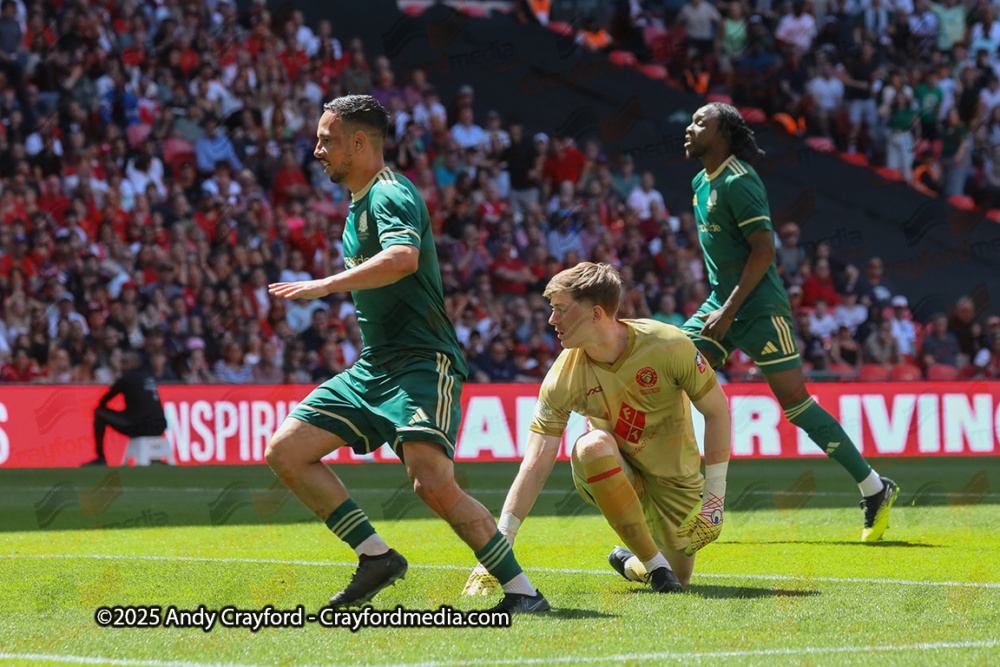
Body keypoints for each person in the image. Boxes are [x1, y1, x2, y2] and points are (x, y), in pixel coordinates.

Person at [266, 95, 548, 613]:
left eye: (327, 140)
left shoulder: (390, 193)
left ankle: (522, 592)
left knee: (431, 483)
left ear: (358, 142)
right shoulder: (359, 203)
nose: (317, 150)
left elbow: (403, 258)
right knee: (286, 450)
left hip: (422, 360)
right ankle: (376, 557)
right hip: (374, 365)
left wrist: (325, 286)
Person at [680, 102, 898, 542]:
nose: (689, 126)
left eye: (701, 122)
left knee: (796, 405)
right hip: (720, 304)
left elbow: (765, 252)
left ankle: (875, 488)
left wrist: (729, 310)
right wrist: (722, 306)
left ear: (723, 134)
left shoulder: (740, 181)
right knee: (670, 372)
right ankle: (687, 494)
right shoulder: (700, 182)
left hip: (760, 310)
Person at [463, 263, 732, 597]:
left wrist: (714, 498)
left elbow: (717, 411)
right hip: (612, 469)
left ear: (596, 313)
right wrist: (499, 548)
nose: (552, 320)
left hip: (675, 483)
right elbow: (535, 461)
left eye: (561, 309)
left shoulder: (668, 344)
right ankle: (655, 565)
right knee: (593, 446)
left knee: (682, 576)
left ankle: (634, 562)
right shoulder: (562, 377)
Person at [89, 351, 168, 466]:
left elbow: (104, 400)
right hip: (160, 427)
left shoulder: (126, 378)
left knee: (99, 412)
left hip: (139, 427)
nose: (122, 366)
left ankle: (100, 457)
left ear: (135, 363)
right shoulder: (148, 376)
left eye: (125, 362)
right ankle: (155, 458)